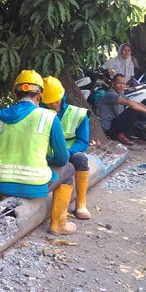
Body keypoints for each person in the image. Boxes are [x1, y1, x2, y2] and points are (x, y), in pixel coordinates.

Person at [0, 70, 78, 235]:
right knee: (70, 169)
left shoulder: (0, 116)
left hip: (2, 185)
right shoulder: (48, 117)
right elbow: (62, 158)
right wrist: (45, 158)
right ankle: (59, 224)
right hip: (35, 185)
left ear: (16, 95)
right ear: (40, 95)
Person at [40, 76, 92, 219]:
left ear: (62, 95)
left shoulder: (78, 114)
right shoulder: (39, 114)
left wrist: (67, 153)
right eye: (49, 103)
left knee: (81, 158)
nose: (53, 105)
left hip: (70, 153)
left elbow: (82, 141)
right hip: (45, 156)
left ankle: (81, 202)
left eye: (55, 101)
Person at [97, 73, 146, 146]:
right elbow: (131, 104)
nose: (122, 86)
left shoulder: (121, 95)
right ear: (113, 84)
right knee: (133, 110)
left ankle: (130, 133)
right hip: (108, 126)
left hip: (115, 124)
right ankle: (121, 135)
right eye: (119, 84)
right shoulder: (110, 94)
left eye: (124, 84)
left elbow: (136, 103)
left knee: (138, 109)